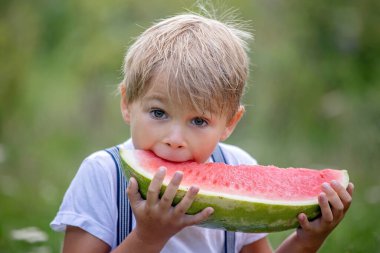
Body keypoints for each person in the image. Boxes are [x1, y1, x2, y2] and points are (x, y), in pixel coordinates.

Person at [50, 12, 354, 253]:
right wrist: (148, 237)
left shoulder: (239, 165)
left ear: (230, 123)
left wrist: (308, 241)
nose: (175, 139)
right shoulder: (103, 175)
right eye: (158, 113)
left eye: (198, 121)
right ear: (127, 103)